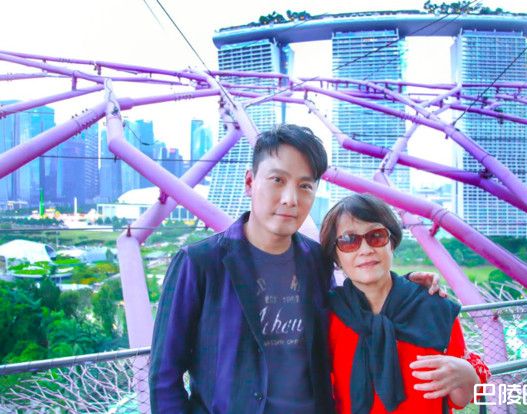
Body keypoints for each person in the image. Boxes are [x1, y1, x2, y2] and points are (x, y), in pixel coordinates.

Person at [149, 124, 445, 413]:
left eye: (305, 186)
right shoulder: (199, 264)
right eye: (277, 180)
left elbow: (351, 310)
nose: (291, 199)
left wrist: (404, 288)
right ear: (250, 182)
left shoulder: (316, 260)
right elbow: (164, 376)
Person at [320, 194, 490, 413]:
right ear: (335, 256)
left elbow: (461, 398)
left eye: (376, 236)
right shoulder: (327, 316)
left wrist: (467, 373)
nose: (365, 249)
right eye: (348, 240)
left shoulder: (433, 307)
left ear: (392, 243)